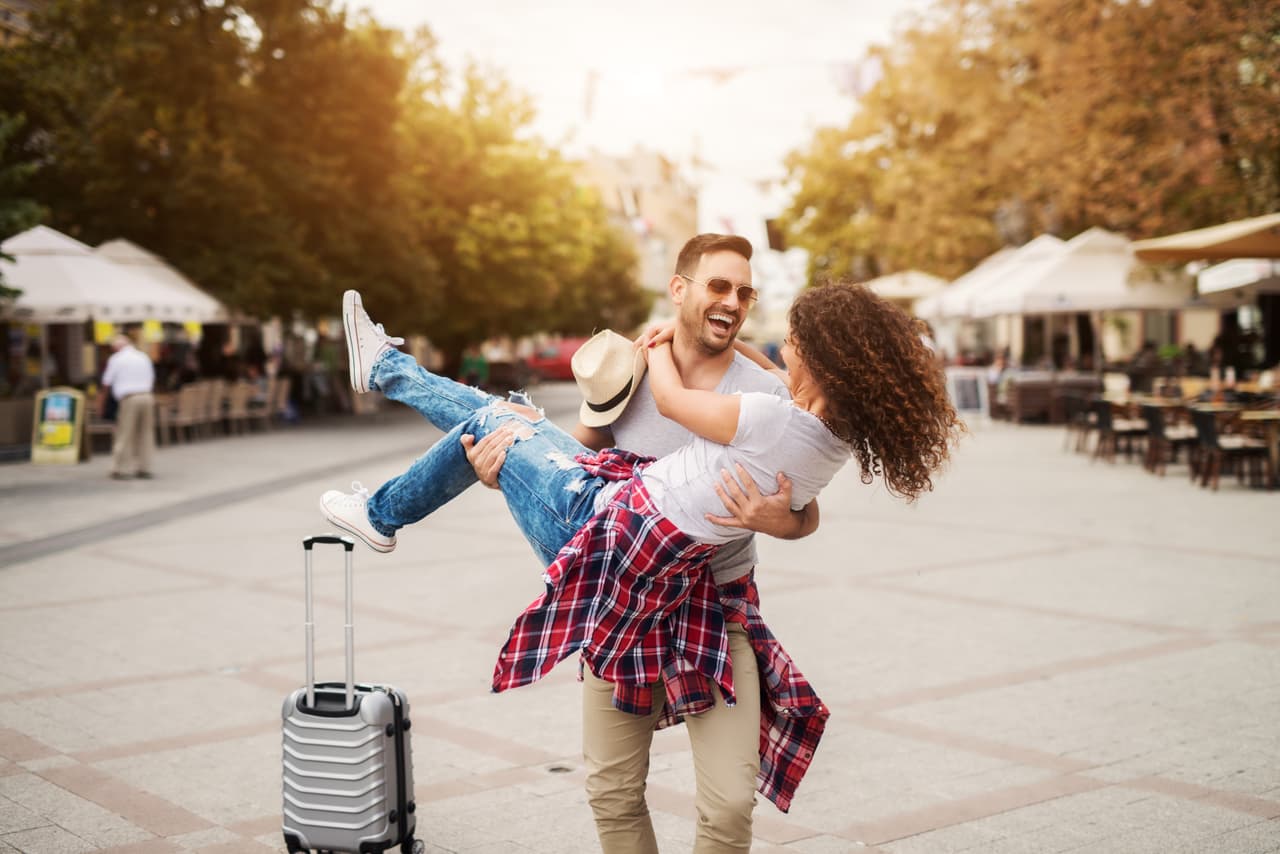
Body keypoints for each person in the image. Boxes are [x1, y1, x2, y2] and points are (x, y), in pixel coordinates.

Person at [322, 261, 960, 847]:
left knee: (501, 417)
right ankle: (381, 452)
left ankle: (381, 458)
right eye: (720, 288)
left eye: (755, 304)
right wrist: (502, 474)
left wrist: (655, 352)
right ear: (679, 289)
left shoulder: (756, 406)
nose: (765, 335)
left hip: (618, 548)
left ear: (819, 360)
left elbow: (693, 409)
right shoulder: (824, 437)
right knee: (505, 419)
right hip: (615, 520)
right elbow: (575, 447)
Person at [99, 332, 156, 480]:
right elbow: (151, 378)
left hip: (129, 397)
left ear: (117, 347)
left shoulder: (116, 359)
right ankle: (144, 467)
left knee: (125, 432)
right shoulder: (143, 357)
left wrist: (102, 404)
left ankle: (121, 468)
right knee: (146, 432)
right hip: (147, 396)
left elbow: (106, 383)